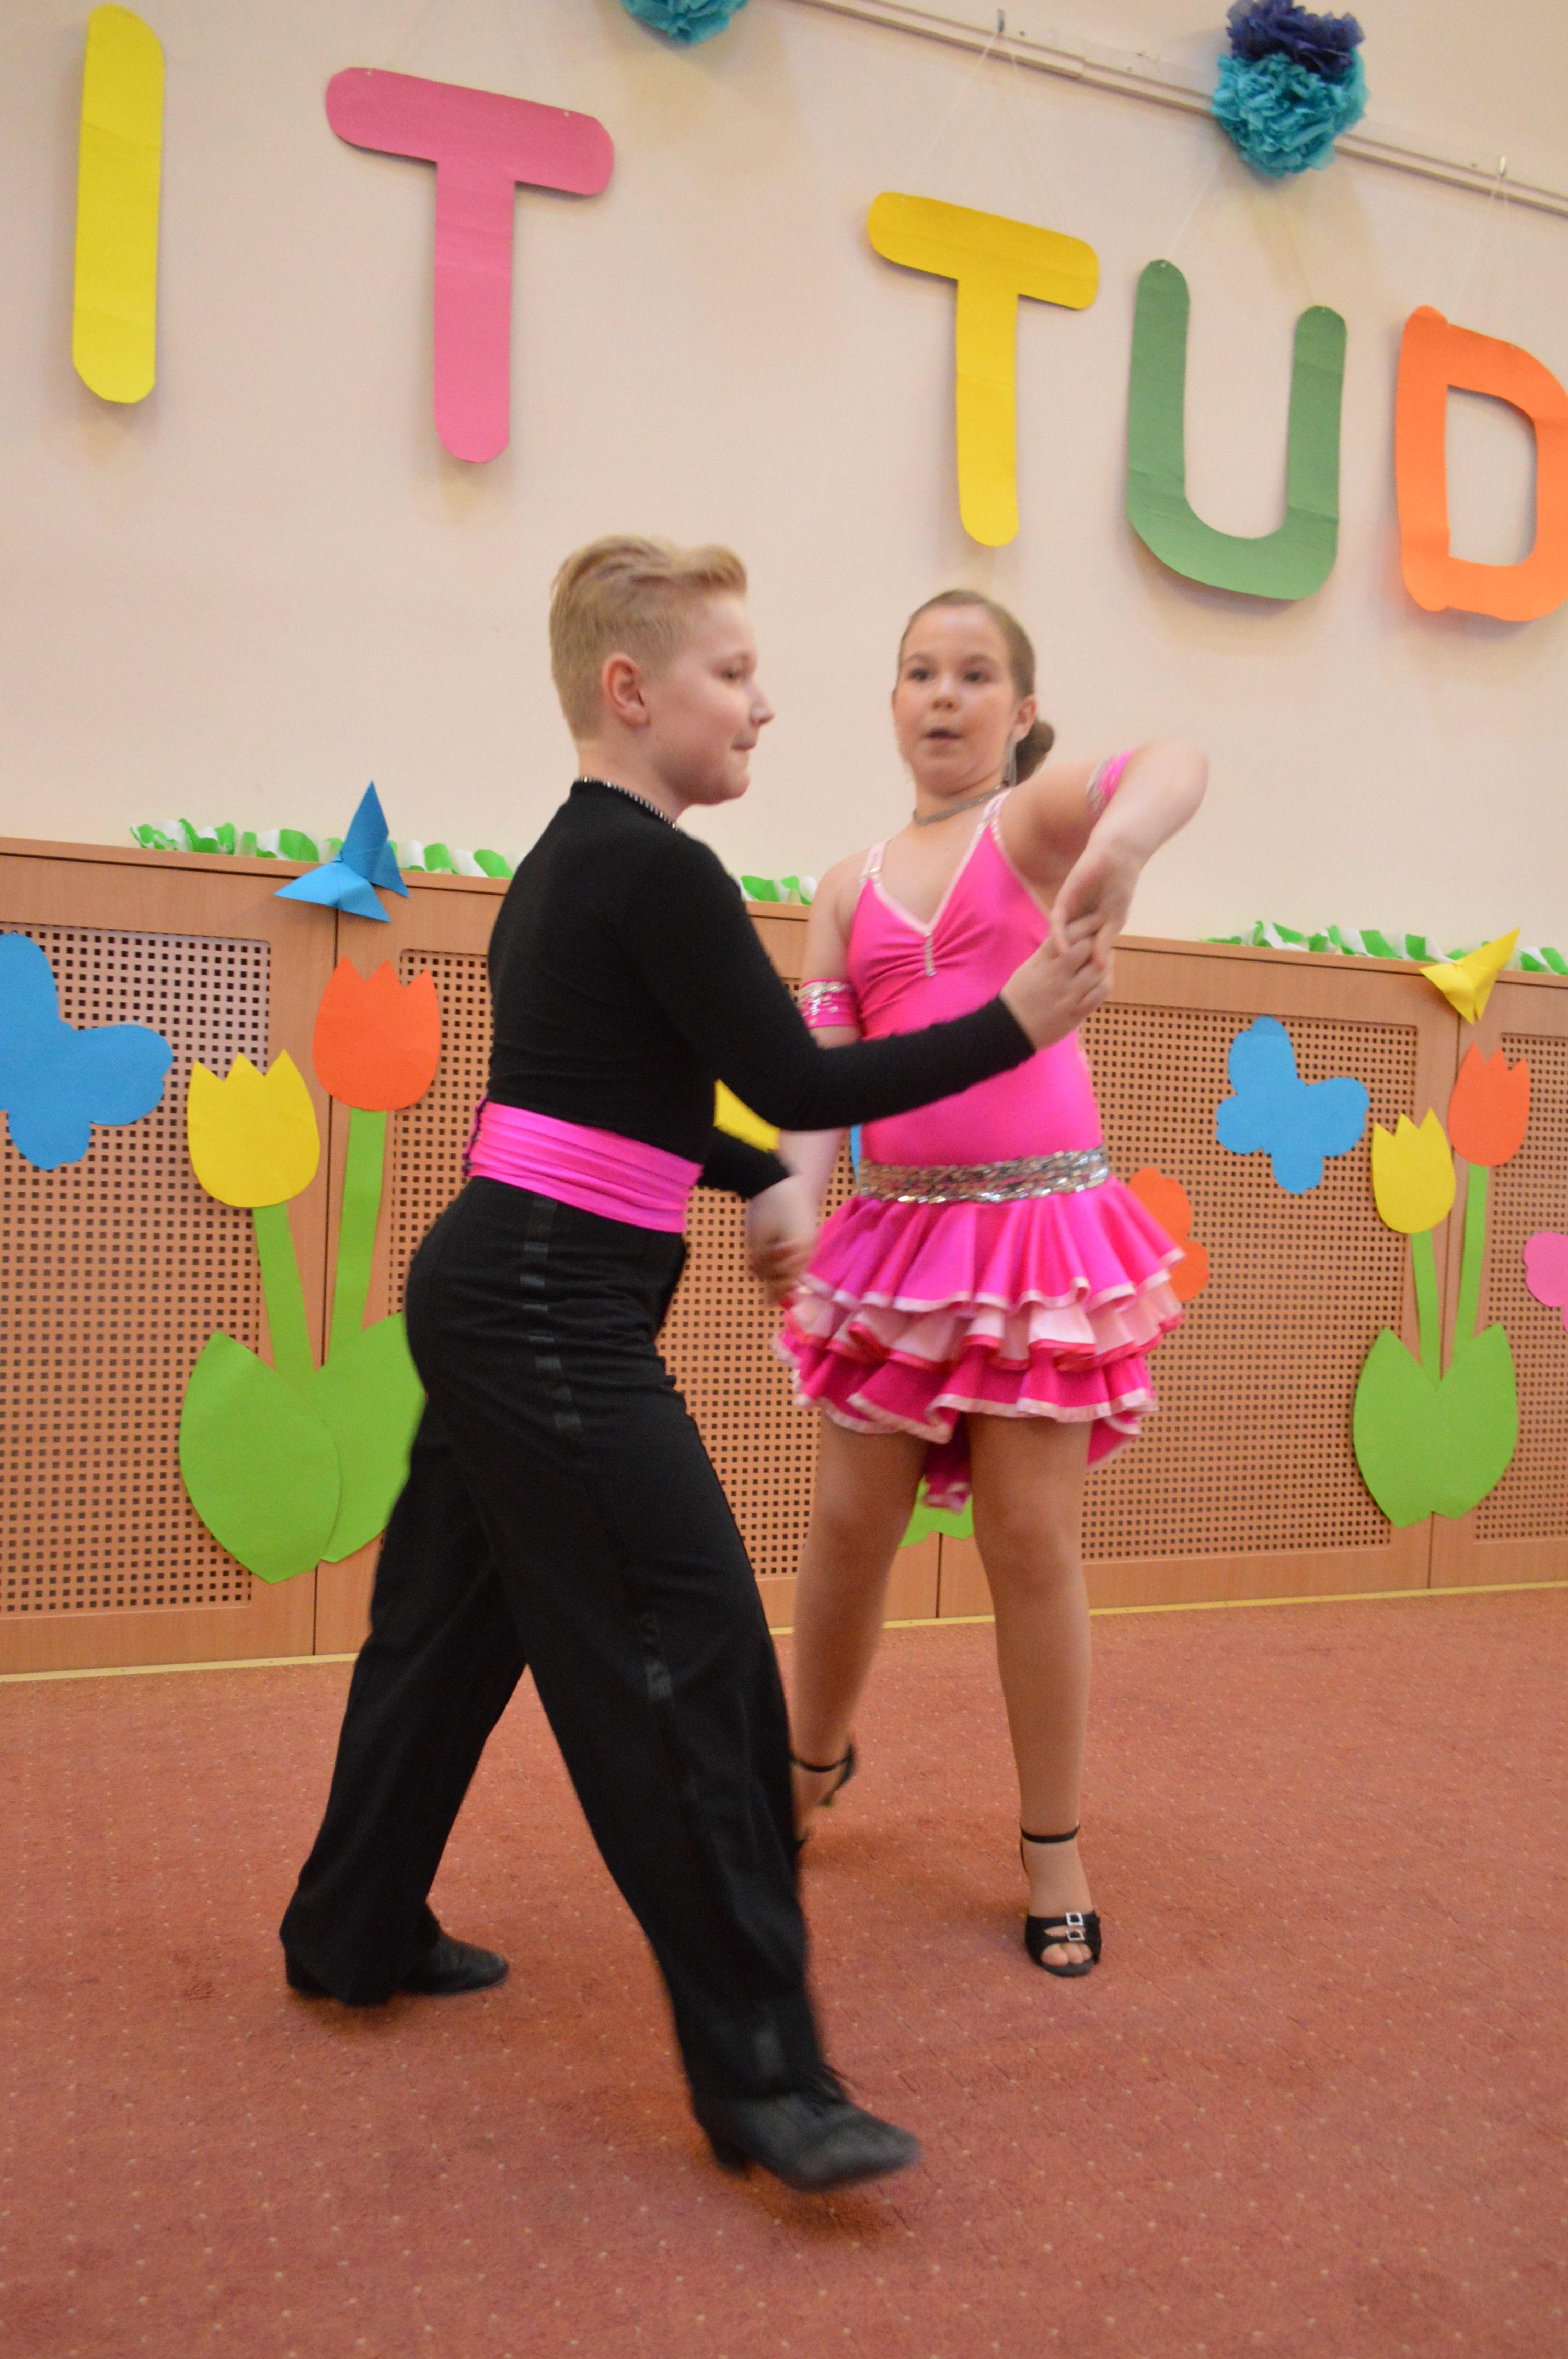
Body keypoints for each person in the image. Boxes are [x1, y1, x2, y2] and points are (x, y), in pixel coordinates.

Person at [279, 540, 1114, 2194]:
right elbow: (801, 1082)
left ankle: (350, 1928)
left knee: (440, 1635)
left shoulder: (568, 866)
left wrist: (740, 1186)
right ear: (631, 689)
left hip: (498, 1286)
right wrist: (1020, 1020)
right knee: (696, 1657)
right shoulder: (657, 873)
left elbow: (616, 1100)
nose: (763, 703)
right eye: (732, 673)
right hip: (545, 1310)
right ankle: (766, 2083)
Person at [776, 588, 1206, 1976]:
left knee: (1029, 1540)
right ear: (892, 701)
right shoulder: (842, 885)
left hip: (1035, 1242)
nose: (944, 696)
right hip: (898, 1242)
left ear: (1021, 714)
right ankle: (806, 1765)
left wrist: (1119, 848)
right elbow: (819, 1083)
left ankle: (1053, 1845)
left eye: (974, 676)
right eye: (920, 672)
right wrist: (792, 1197)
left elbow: (1174, 762)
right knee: (850, 1528)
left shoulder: (1026, 830)